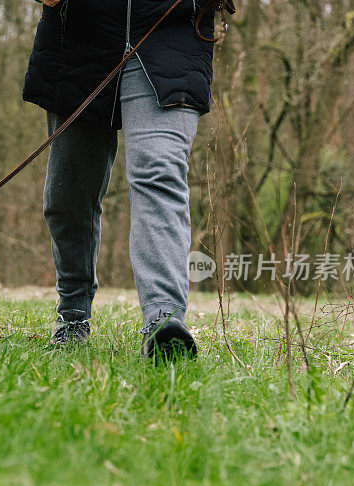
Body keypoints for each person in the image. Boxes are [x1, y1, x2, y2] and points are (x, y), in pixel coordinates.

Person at [24, 0, 226, 360]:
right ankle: (73, 315)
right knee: (68, 193)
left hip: (172, 34)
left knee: (159, 171)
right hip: (81, 38)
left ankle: (164, 321)